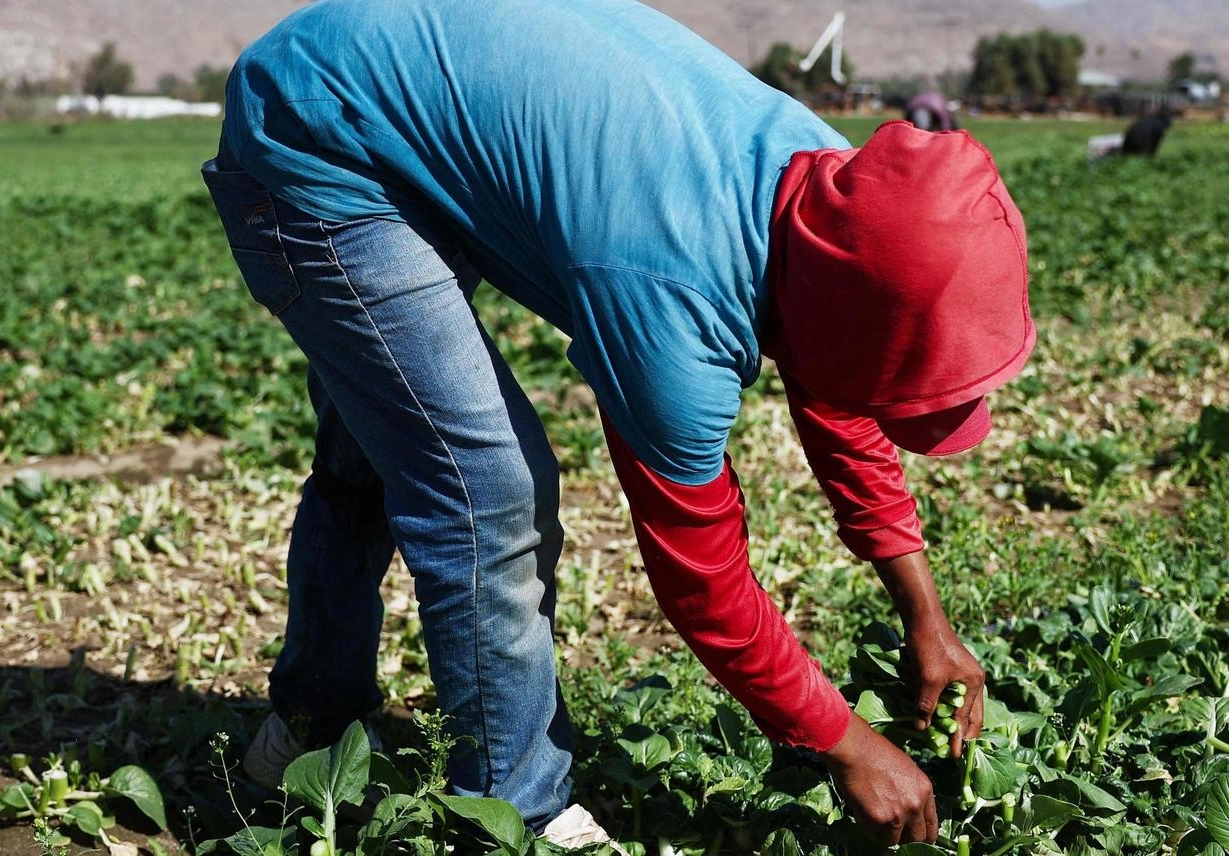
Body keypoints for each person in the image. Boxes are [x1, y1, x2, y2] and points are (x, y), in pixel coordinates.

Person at [201, 0, 1033, 847]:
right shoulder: (672, 292)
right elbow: (700, 582)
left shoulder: (842, 190)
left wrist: (922, 614)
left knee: (385, 447)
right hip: (314, 138)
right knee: (488, 496)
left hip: (397, 84)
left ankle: (305, 729)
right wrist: (846, 744)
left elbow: (841, 391)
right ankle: (513, 819)